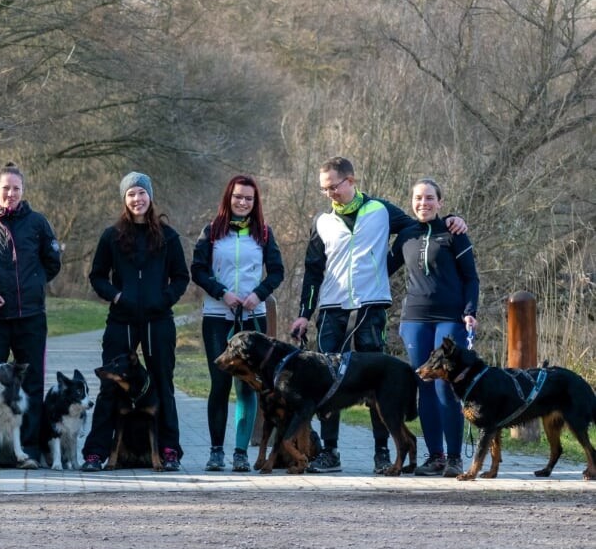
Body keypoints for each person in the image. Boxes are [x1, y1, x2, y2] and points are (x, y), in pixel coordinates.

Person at [289, 156, 465, 473]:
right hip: (331, 310)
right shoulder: (322, 222)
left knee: (375, 382)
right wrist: (304, 313)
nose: (329, 194)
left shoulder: (380, 210)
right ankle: (330, 452)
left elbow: (419, 225)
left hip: (371, 307)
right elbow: (313, 271)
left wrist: (451, 220)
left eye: (333, 187)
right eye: (324, 189)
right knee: (327, 383)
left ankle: (382, 452)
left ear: (351, 181)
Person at [80, 172, 190, 472]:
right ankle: (95, 453)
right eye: (131, 194)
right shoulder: (111, 236)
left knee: (163, 384)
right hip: (122, 320)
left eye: (142, 193)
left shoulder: (168, 237)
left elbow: (181, 277)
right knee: (109, 386)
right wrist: (117, 296)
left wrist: (164, 299)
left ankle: (169, 450)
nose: (137, 199)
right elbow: (97, 276)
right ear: (124, 199)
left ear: (150, 196)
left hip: (158, 321)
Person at [0, 162, 62, 469]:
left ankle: (27, 452)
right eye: (6, 188)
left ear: (23, 190)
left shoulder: (38, 223)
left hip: (31, 317)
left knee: (31, 384)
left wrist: (34, 284)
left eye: (16, 188)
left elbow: (52, 262)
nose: (11, 193)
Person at [190, 174, 284, 473]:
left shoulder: (264, 233)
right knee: (219, 384)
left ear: (255, 202)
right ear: (228, 198)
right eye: (238, 197)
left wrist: (259, 294)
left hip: (252, 318)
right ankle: (216, 451)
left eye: (248, 198)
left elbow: (277, 272)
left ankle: (241, 453)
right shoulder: (211, 231)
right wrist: (222, 293)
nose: (242, 202)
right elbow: (197, 270)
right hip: (217, 317)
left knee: (247, 385)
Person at [388, 177, 479, 478]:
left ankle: (454, 458)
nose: (423, 203)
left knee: (445, 386)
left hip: (450, 318)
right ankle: (435, 456)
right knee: (424, 384)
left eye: (429, 198)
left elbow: (471, 278)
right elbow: (381, 269)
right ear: (411, 202)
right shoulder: (406, 236)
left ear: (440, 202)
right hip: (414, 319)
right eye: (418, 198)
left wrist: (470, 311)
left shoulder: (454, 233)